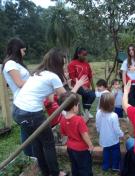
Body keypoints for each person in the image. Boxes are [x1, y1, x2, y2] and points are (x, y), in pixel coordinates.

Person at [12, 48, 88, 176]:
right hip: (31, 114)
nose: (63, 67)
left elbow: (52, 96)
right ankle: (55, 173)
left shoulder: (38, 73)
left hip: (17, 111)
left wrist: (63, 83)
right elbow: (67, 101)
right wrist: (77, 85)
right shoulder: (53, 77)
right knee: (48, 143)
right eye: (62, 64)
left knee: (37, 141)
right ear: (57, 64)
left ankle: (45, 171)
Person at [2, 38, 33, 157]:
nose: (24, 53)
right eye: (23, 51)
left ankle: (31, 157)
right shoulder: (10, 64)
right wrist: (36, 80)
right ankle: (30, 157)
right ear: (17, 50)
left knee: (28, 131)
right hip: (22, 102)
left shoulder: (16, 64)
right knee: (27, 131)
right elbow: (19, 83)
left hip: (27, 100)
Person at [59, 92, 94, 176]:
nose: (78, 107)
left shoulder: (62, 119)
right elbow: (84, 134)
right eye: (78, 105)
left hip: (70, 148)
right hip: (81, 149)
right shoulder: (79, 119)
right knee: (85, 167)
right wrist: (90, 145)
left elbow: (63, 134)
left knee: (74, 165)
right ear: (74, 107)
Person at [96, 92, 124, 172]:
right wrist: (121, 134)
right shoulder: (113, 115)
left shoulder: (98, 113)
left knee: (106, 151)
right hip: (113, 139)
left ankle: (106, 166)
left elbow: (97, 124)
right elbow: (116, 129)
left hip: (103, 138)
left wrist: (99, 131)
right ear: (112, 104)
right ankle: (115, 166)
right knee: (115, 152)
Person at [68, 47, 96, 118]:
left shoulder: (86, 64)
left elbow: (90, 76)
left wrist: (93, 87)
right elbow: (72, 77)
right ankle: (86, 111)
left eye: (86, 54)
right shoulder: (72, 64)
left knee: (88, 96)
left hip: (87, 86)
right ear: (78, 54)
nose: (85, 56)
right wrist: (81, 85)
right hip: (77, 86)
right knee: (92, 95)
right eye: (84, 54)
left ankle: (86, 111)